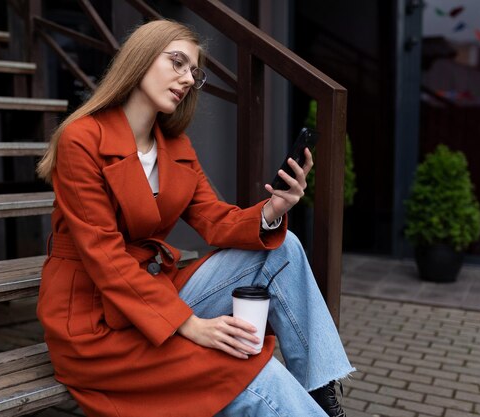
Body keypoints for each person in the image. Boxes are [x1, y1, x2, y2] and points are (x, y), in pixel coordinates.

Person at [36, 19, 354, 417]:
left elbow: (214, 219)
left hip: (152, 295)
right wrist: (190, 324)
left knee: (284, 246)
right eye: (177, 62)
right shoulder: (82, 139)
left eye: (193, 71)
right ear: (140, 59)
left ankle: (321, 395)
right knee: (256, 374)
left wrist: (273, 210)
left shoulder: (175, 146)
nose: (187, 78)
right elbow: (104, 256)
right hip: (92, 322)